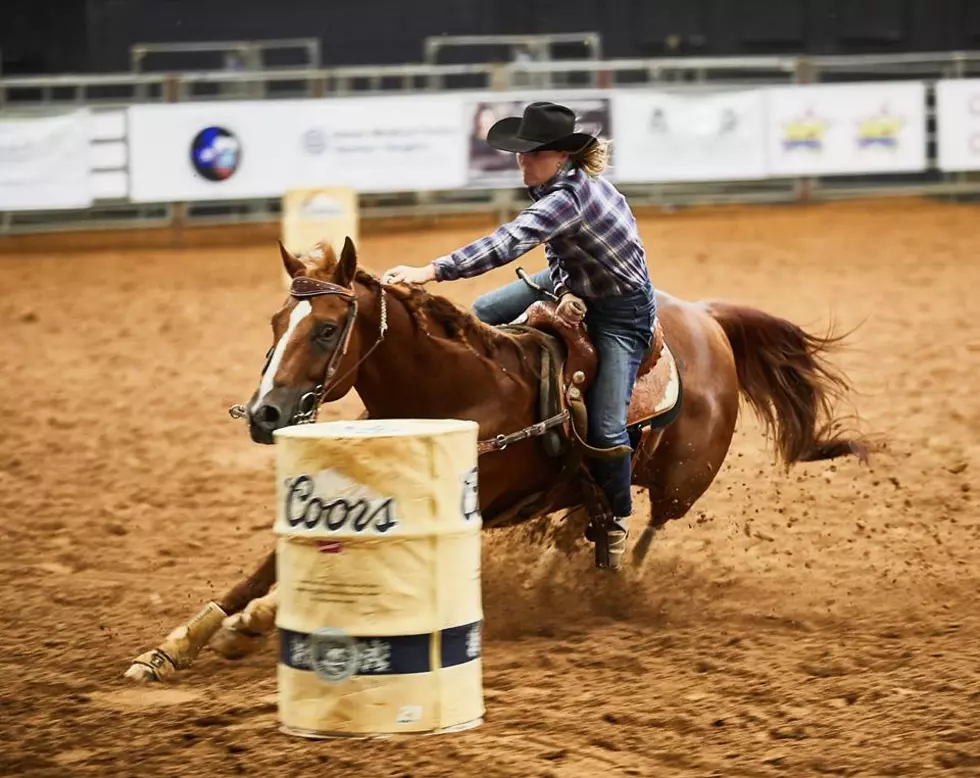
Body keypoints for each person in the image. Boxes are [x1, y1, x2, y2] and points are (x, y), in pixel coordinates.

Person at [381, 101, 655, 570]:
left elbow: (509, 243)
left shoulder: (566, 199)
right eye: (521, 153)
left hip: (622, 314)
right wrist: (568, 290)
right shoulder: (566, 191)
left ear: (563, 157)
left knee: (608, 427)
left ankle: (614, 518)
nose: (522, 161)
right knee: (485, 311)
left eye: (534, 154)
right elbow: (558, 253)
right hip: (586, 288)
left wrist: (430, 271)